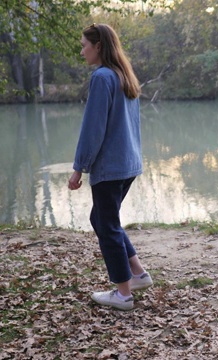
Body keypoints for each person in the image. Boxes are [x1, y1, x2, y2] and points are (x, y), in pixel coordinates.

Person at [68, 23, 152, 311]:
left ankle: (123, 294)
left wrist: (79, 167)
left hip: (111, 166)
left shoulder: (102, 77)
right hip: (128, 164)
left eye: (85, 45)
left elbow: (93, 129)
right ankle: (139, 274)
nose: (82, 51)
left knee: (107, 224)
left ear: (99, 46)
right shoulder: (123, 75)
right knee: (103, 220)